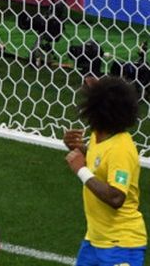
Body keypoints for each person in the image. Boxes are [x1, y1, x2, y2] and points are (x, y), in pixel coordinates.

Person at [64, 76, 146, 266]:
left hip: (121, 245)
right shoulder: (98, 135)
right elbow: (99, 159)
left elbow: (117, 198)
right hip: (95, 239)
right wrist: (77, 148)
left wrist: (81, 169)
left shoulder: (121, 149)